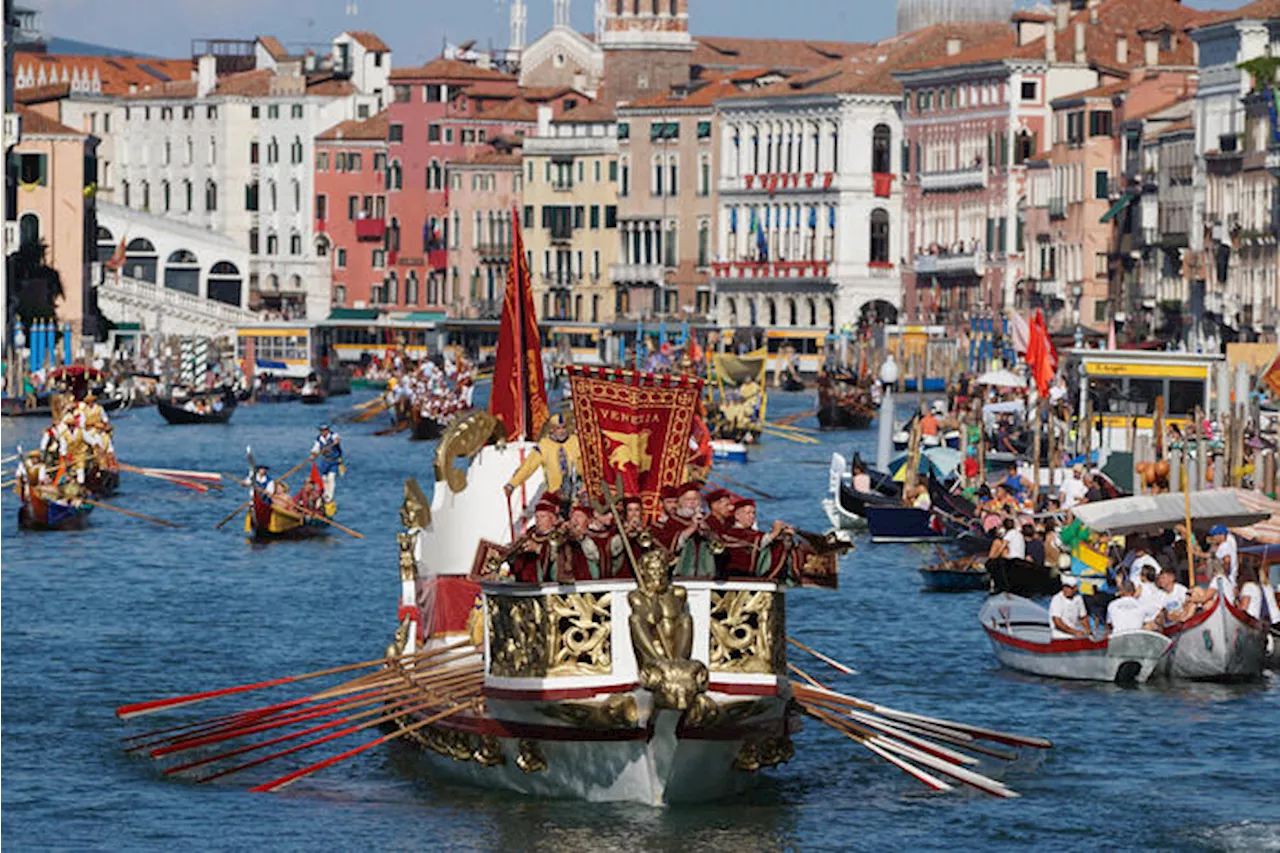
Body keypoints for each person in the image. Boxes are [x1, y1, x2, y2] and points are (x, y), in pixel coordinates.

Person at [505, 413, 581, 502]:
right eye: (558, 428)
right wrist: (512, 485)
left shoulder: (576, 441)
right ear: (551, 430)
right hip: (555, 495)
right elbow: (528, 467)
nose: (562, 431)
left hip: (577, 493)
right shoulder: (543, 446)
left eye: (563, 427)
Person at [308, 424, 344, 515]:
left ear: (328, 430)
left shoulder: (333, 435)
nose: (323, 432)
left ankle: (329, 496)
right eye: (322, 430)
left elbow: (337, 439)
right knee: (324, 479)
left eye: (325, 430)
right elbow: (315, 449)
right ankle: (324, 493)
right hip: (325, 461)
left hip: (334, 461)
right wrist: (313, 455)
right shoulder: (319, 439)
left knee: (331, 478)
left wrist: (336, 442)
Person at [1049, 575, 1090, 639]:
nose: (1065, 589)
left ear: (1075, 588)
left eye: (1069, 587)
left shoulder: (1078, 598)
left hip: (1074, 636)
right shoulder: (1057, 599)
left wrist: (1088, 631)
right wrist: (1074, 632)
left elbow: (1083, 617)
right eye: (1064, 587)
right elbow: (1057, 623)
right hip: (1059, 637)